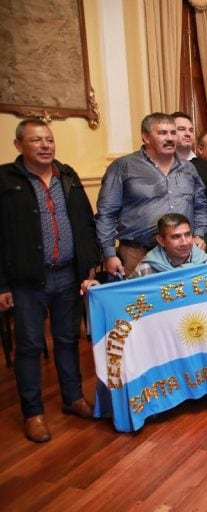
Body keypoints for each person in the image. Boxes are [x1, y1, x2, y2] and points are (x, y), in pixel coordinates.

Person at [0, 119, 101, 443]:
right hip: (28, 280)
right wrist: (2, 285)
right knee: (29, 346)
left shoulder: (67, 176)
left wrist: (89, 266)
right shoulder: (6, 180)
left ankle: (73, 398)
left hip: (67, 275)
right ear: (19, 145)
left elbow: (86, 223)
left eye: (48, 140)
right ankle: (34, 413)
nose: (44, 146)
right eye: (35, 140)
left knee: (68, 339)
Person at [96, 112, 207, 277]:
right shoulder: (123, 167)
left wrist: (199, 234)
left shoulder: (188, 168)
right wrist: (109, 254)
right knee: (141, 301)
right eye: (163, 133)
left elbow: (200, 206)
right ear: (146, 137)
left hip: (182, 254)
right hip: (137, 253)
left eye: (173, 132)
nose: (170, 138)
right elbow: (106, 213)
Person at [131, 213, 207, 278]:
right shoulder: (145, 269)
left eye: (187, 235)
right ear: (161, 240)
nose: (185, 242)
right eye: (176, 237)